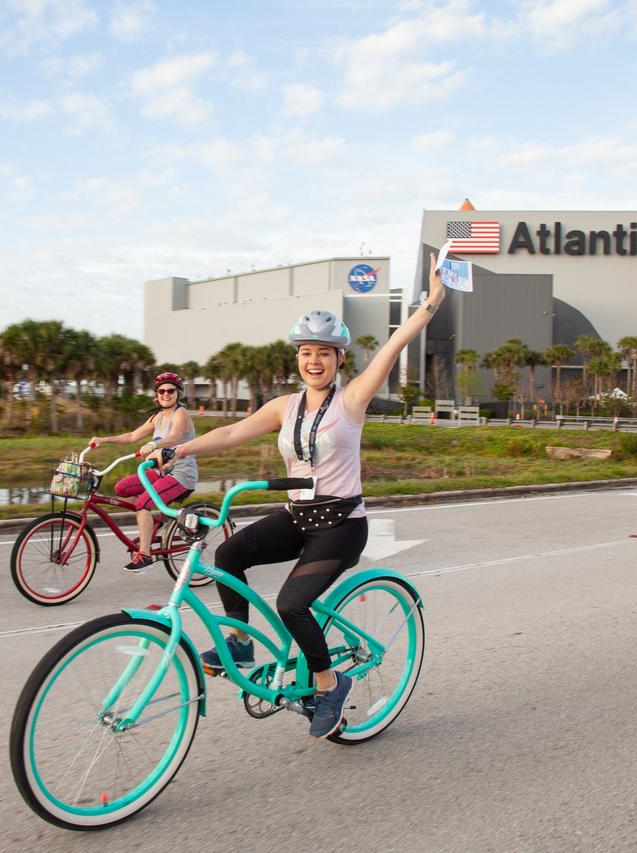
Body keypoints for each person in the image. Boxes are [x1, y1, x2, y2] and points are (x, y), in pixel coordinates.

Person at [152, 254, 446, 738]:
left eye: (325, 353)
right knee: (227, 554)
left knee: (291, 604)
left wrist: (431, 302)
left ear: (339, 359)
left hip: (341, 526)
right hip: (298, 516)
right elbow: (230, 433)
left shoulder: (351, 401)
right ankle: (240, 643)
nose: (315, 360)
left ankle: (331, 684)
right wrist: (175, 448)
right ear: (297, 358)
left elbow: (393, 345)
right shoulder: (284, 407)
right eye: (307, 351)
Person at [89, 371, 198, 572]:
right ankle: (152, 519)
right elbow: (132, 436)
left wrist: (153, 443)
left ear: (178, 393)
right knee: (122, 488)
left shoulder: (181, 414)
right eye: (162, 391)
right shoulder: (157, 417)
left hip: (181, 475)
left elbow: (174, 438)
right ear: (156, 394)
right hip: (159, 472)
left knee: (142, 503)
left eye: (171, 390)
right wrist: (104, 440)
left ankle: (145, 554)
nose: (166, 394)